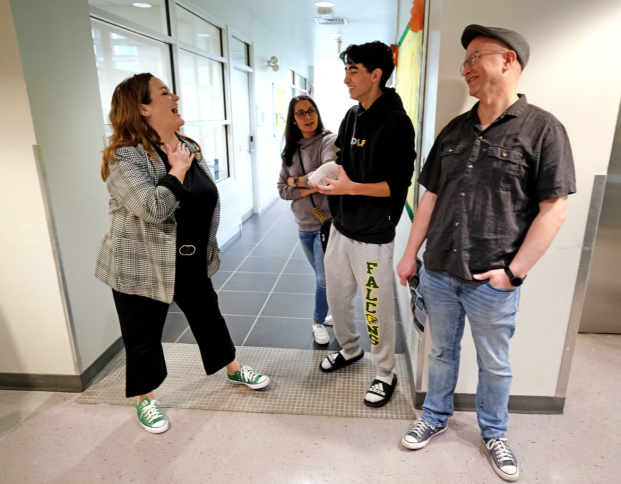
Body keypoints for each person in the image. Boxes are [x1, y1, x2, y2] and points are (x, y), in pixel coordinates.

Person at [396, 25, 576, 482]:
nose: (466, 68)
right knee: (440, 353)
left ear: (508, 60)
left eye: (475, 57)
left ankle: (494, 432)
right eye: (465, 61)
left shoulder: (544, 130)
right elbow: (430, 198)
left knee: (495, 361)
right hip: (438, 269)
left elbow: (554, 210)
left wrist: (513, 274)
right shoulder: (455, 129)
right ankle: (435, 417)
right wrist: (410, 254)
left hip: (491, 278)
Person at [95, 73, 270, 434]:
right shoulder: (124, 158)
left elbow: (205, 197)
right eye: (163, 93)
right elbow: (154, 208)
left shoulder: (186, 146)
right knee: (142, 335)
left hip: (189, 258)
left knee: (209, 318)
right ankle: (146, 399)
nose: (174, 95)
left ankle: (234, 369)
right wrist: (175, 171)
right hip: (140, 265)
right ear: (143, 108)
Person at [310, 41, 416, 408]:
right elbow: (342, 159)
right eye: (346, 70)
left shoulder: (397, 123)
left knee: (375, 307)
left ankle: (384, 372)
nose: (346, 79)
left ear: (376, 74)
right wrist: (323, 173)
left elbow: (396, 187)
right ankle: (350, 350)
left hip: (373, 235)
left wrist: (351, 187)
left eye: (353, 71)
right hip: (341, 226)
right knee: (337, 298)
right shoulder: (352, 115)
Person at [277, 95, 338, 345]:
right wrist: (309, 185)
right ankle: (327, 311)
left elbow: (327, 175)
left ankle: (317, 321)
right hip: (304, 224)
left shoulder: (328, 140)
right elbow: (282, 189)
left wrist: (296, 182)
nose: (307, 116)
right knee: (323, 277)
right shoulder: (290, 150)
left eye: (310, 110)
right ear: (293, 119)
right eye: (300, 113)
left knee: (324, 279)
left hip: (327, 223)